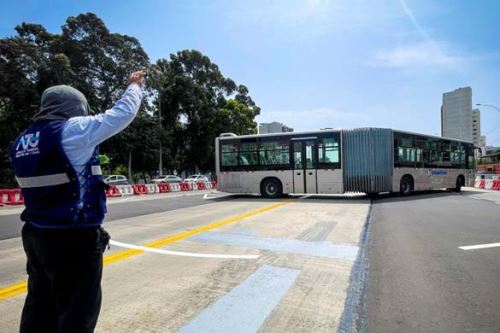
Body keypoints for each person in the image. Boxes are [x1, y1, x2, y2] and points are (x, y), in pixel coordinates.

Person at [10, 71, 146, 333]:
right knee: (78, 311)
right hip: (73, 238)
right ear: (74, 107)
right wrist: (135, 86)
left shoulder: (21, 141)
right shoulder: (72, 130)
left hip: (36, 236)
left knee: (39, 304)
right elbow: (122, 114)